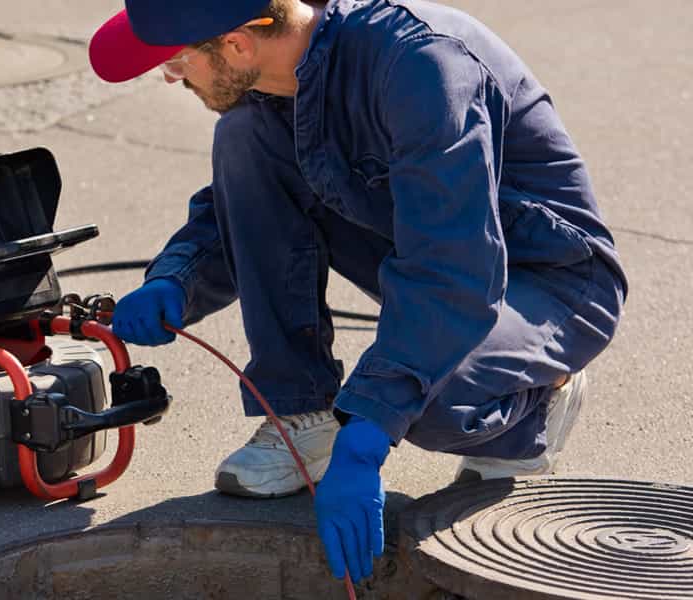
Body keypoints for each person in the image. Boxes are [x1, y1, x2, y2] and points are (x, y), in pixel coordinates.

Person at [88, 0, 628, 583]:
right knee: (244, 135)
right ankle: (304, 411)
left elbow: (451, 270)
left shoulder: (422, 67)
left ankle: (537, 399)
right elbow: (249, 202)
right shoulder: (287, 72)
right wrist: (177, 279)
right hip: (425, 246)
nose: (170, 77)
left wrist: (367, 433)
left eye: (175, 61)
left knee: (421, 403)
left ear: (238, 44)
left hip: (550, 279)